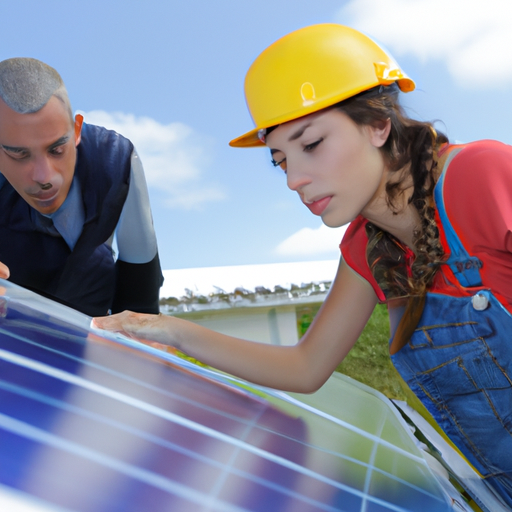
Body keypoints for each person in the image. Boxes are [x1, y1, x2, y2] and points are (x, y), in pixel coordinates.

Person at [93, 24, 512, 505]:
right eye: (279, 161)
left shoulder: (482, 176)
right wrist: (170, 330)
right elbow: (305, 366)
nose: (294, 179)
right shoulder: (366, 251)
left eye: (310, 144)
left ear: (379, 124)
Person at [0, 57, 163, 317]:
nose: (44, 177)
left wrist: (139, 340)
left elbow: (140, 275)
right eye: (19, 155)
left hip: (94, 325)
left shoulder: (117, 159)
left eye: (57, 149)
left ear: (76, 130)